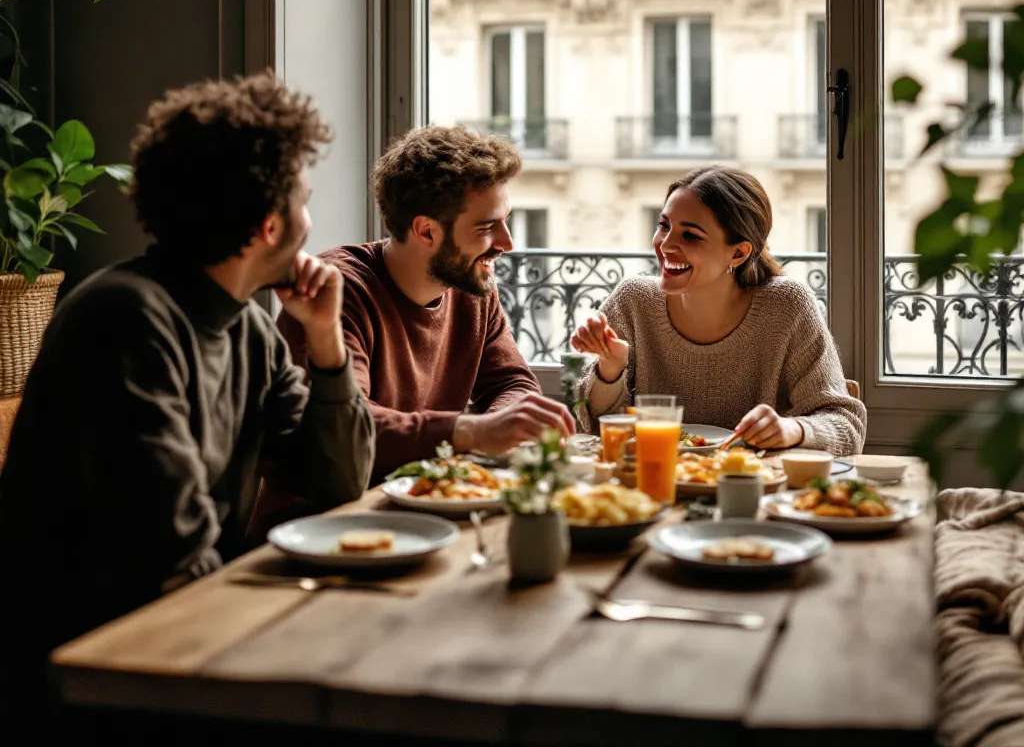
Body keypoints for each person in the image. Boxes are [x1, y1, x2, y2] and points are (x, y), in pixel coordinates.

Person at [0, 74, 374, 715]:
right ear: (267, 224)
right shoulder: (124, 320)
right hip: (94, 680)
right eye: (304, 202)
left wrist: (327, 344)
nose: (311, 225)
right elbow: (167, 561)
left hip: (181, 638)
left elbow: (338, 481)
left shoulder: (249, 326)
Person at [278, 125, 574, 486]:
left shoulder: (470, 283)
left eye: (506, 221)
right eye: (486, 228)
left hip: (424, 506)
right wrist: (472, 432)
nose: (507, 243)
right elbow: (348, 424)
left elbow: (512, 383)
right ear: (426, 232)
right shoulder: (333, 292)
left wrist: (501, 426)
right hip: (320, 524)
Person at [571, 165, 866, 455]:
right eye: (664, 225)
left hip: (752, 491)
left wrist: (793, 430)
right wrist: (609, 370)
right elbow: (594, 429)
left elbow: (846, 425)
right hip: (650, 486)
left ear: (738, 253)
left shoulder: (787, 306)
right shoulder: (633, 301)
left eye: (691, 236)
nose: (665, 244)